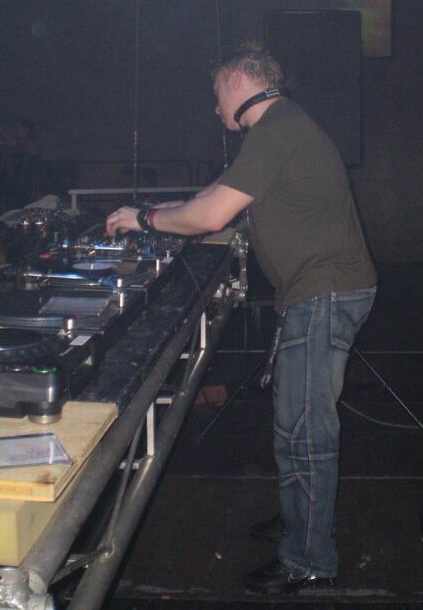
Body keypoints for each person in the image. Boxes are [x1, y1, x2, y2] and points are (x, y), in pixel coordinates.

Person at [106, 49, 377, 595]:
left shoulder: (277, 130)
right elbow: (213, 196)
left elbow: (211, 216)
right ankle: (302, 519)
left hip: (323, 294)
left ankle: (309, 559)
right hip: (317, 293)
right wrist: (163, 208)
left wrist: (146, 219)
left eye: (216, 95)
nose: (215, 108)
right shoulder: (280, 127)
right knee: (294, 423)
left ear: (236, 83)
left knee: (304, 431)